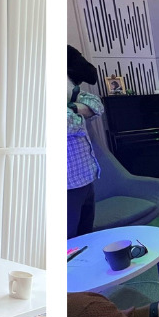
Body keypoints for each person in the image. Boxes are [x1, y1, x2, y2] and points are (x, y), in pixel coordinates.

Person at [67, 46, 104, 237]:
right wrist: (81, 112)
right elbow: (70, 124)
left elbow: (96, 105)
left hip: (86, 178)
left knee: (86, 235)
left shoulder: (71, 94)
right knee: (70, 241)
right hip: (68, 185)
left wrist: (72, 107)